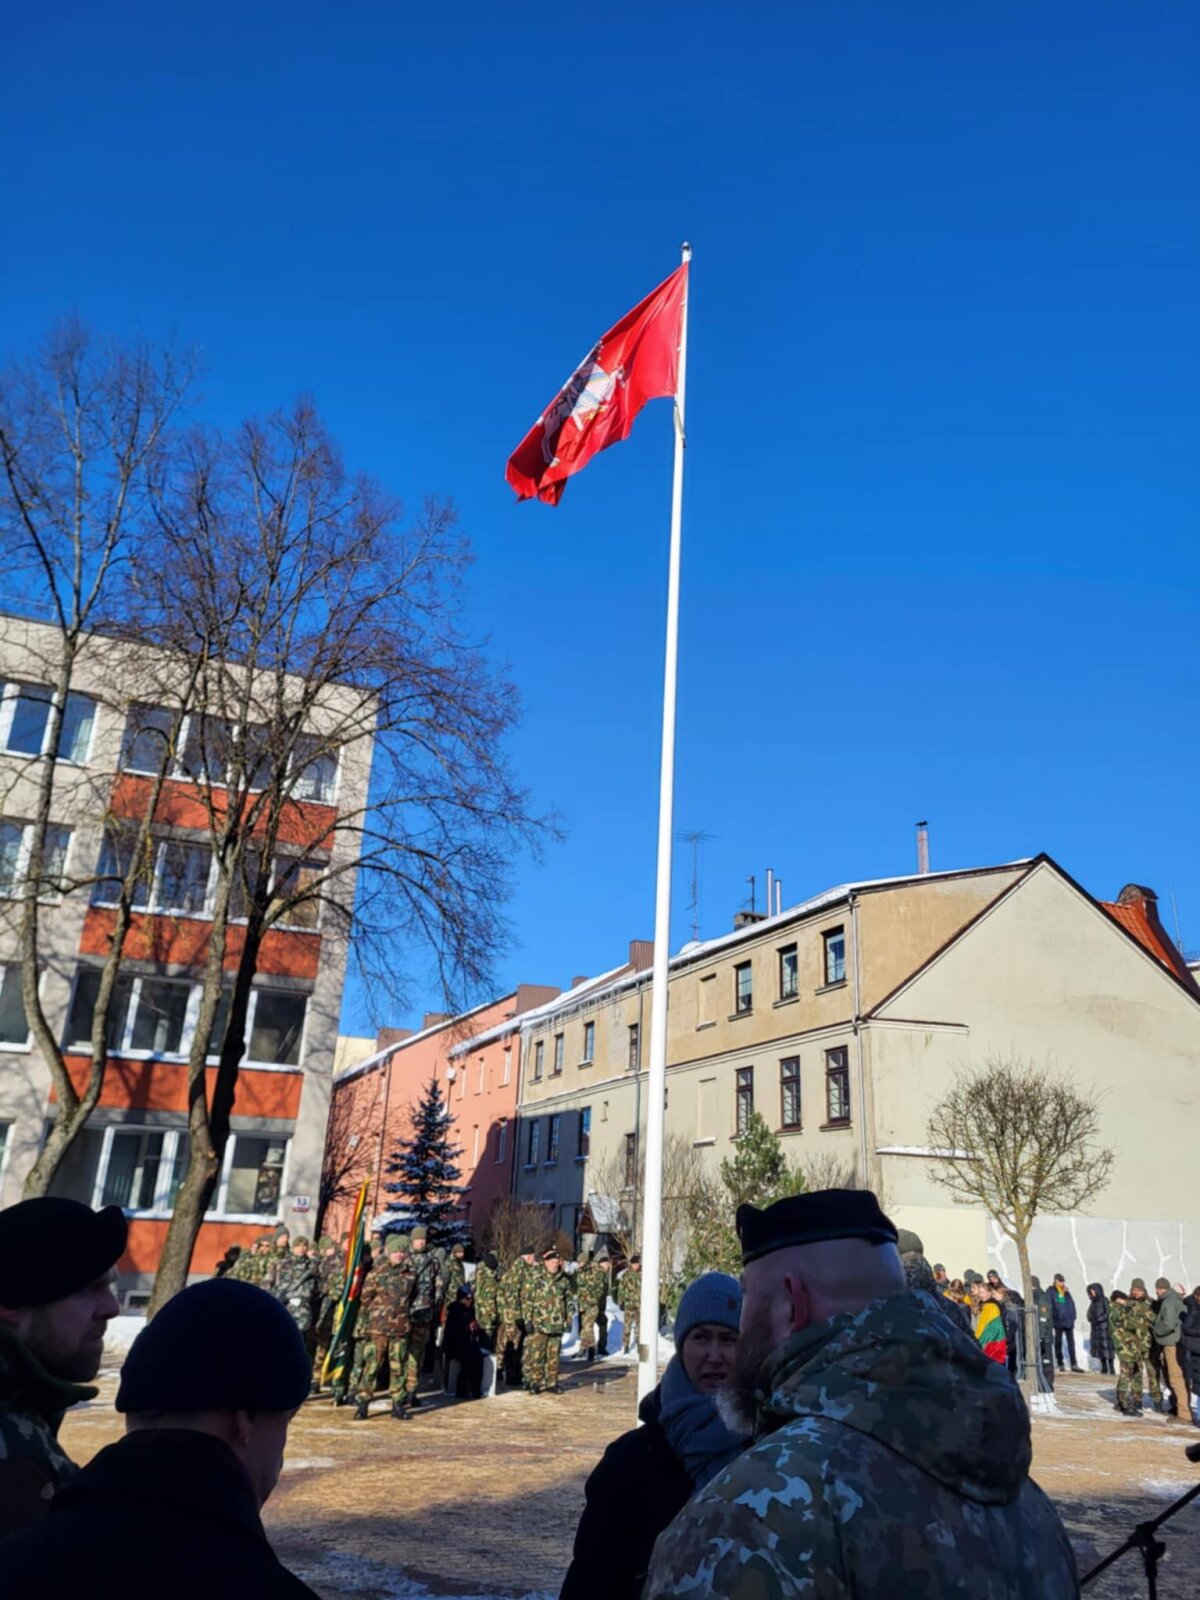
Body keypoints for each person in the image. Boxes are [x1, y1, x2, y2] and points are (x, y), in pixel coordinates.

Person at [643, 1190, 1079, 1598]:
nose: (740, 1327)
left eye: (748, 1299)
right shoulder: (1026, 1501)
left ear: (792, 1303)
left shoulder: (752, 1516)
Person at [4, 1277, 318, 1599]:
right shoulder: (260, 1586)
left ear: (135, 1414)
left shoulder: (19, 1562)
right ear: (246, 1420)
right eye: (285, 1423)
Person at [561, 1272, 747, 1600]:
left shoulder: (773, 1447)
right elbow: (591, 1583)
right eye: (701, 1337)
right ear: (681, 1344)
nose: (714, 1355)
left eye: (729, 1339)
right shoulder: (630, 1461)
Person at [0, 1197, 126, 1534]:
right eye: (87, 1288)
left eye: (110, 1285)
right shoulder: (17, 1459)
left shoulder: (22, 1410)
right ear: (11, 1305)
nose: (111, 1308)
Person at [349, 1233, 415, 1421]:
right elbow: (365, 1298)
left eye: (402, 1252)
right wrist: (380, 1312)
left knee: (398, 1367)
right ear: (389, 1253)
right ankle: (363, 1404)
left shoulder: (410, 1275)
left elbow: (412, 1297)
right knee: (372, 1366)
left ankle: (398, 1405)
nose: (399, 1255)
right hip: (378, 1328)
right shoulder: (377, 1273)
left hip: (400, 1328)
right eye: (396, 1252)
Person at [524, 1247, 571, 1394]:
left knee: (553, 1356)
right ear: (545, 1262)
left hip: (556, 1325)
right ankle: (535, 1382)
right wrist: (527, 1319)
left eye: (556, 1262)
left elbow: (569, 1301)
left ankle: (552, 1382)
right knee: (537, 1354)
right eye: (552, 1262)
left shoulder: (563, 1280)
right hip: (540, 1324)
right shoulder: (536, 1278)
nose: (554, 1265)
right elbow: (527, 1300)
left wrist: (569, 1319)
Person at [404, 1225, 441, 1409]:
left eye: (424, 1239)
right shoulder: (405, 1258)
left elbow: (438, 1285)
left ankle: (411, 1391)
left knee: (417, 1354)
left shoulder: (432, 1261)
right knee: (402, 1353)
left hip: (424, 1314)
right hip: (404, 1315)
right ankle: (399, 1391)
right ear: (412, 1240)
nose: (421, 1242)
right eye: (418, 1239)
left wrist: (435, 1301)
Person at [1152, 1276, 1194, 1423]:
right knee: (1180, 1377)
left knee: (1175, 1377)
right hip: (1178, 1342)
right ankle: (1181, 1407)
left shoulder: (1168, 1302)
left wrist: (1156, 1330)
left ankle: (1184, 1414)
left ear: (1159, 1289)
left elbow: (1168, 1324)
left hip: (1171, 1343)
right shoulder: (1177, 1300)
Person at [270, 1237, 320, 1357]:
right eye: (298, 1246)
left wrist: (298, 1297)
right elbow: (271, 1283)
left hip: (302, 1308)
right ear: (293, 1248)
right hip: (284, 1306)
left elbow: (313, 1288)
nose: (301, 1249)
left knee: (299, 1340)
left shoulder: (312, 1266)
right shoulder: (282, 1264)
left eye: (304, 1246)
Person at [1113, 1279, 1155, 1415]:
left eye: (1138, 1290)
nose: (1136, 1292)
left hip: (1145, 1345)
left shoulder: (1150, 1303)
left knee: (1140, 1373)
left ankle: (1137, 1400)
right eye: (1134, 1290)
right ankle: (1123, 1401)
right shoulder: (1126, 1303)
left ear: (1143, 1290)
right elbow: (1120, 1322)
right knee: (1128, 1372)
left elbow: (1154, 1321)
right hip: (1130, 1345)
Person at [310, 1236, 343, 1394]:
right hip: (325, 1309)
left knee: (335, 1345)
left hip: (337, 1309)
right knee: (322, 1345)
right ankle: (317, 1379)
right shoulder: (320, 1264)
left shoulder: (343, 1263)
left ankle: (334, 1379)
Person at [443, 1285, 484, 1398]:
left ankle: (476, 1389)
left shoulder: (470, 1310)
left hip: (467, 1342)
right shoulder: (455, 1310)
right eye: (468, 1298)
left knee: (478, 1357)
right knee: (467, 1359)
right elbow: (454, 1333)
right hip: (454, 1344)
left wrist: (474, 1331)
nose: (470, 1300)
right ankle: (461, 1390)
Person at [967, 1273, 1007, 1365]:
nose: (981, 1295)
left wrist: (977, 1342)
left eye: (983, 1293)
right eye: (980, 1293)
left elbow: (987, 1328)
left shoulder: (991, 1307)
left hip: (991, 1345)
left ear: (990, 1293)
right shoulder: (984, 1305)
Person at [575, 1252, 606, 1363]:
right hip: (583, 1304)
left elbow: (600, 1288)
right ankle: (584, 1348)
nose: (579, 1264)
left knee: (588, 1327)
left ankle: (592, 1349)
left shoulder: (595, 1271)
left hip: (592, 1304)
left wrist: (593, 1298)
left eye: (580, 1262)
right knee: (584, 1328)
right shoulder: (581, 1271)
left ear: (585, 1261)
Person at [1050, 1274, 1082, 1372]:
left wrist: (1073, 1316)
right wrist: (1056, 1315)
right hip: (1058, 1321)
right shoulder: (1052, 1291)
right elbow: (1050, 1305)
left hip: (1068, 1321)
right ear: (1056, 1281)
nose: (1062, 1283)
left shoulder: (1066, 1292)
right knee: (1058, 1342)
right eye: (1060, 1281)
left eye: (1063, 1281)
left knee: (1071, 1343)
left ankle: (1074, 1363)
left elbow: (1071, 1304)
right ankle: (1060, 1363)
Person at [1086, 1283, 1114, 1375]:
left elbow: (1108, 1313)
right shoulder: (1093, 1302)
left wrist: (1099, 1319)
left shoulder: (1104, 1301)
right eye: (1091, 1291)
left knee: (1107, 1349)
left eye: (1093, 1291)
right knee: (1100, 1349)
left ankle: (1112, 1368)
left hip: (1104, 1329)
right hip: (1096, 1329)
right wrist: (1091, 1319)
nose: (1092, 1293)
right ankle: (1104, 1368)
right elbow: (1089, 1313)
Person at [618, 1253, 642, 1353]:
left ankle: (639, 1343)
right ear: (631, 1264)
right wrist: (620, 1301)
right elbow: (621, 1289)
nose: (636, 1265)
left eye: (637, 1263)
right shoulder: (626, 1275)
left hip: (640, 1305)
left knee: (639, 1326)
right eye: (634, 1264)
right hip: (629, 1304)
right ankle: (626, 1345)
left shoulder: (643, 1274)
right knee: (627, 1325)